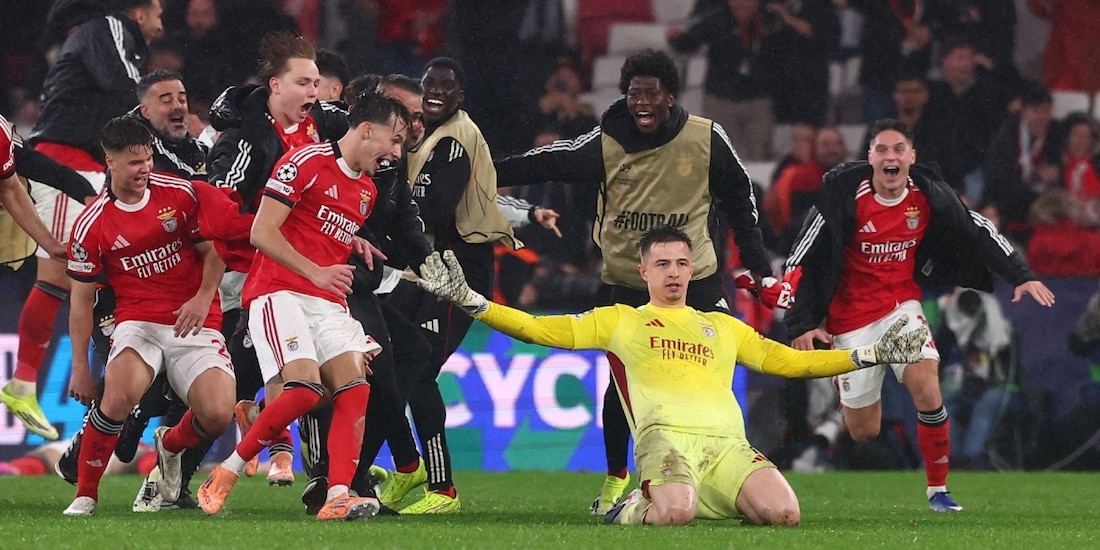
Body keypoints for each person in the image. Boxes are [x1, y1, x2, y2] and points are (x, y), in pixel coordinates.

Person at [413, 225, 929, 526]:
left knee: (785, 515)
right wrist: (474, 302)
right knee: (675, 515)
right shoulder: (621, 320)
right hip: (665, 439)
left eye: (682, 263)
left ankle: (690, 492)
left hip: (727, 446)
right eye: (663, 264)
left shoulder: (722, 326)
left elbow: (792, 362)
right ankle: (632, 505)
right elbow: (538, 329)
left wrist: (869, 354)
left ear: (693, 269)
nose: (675, 272)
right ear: (643, 272)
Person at [495, 48, 772, 514]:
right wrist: (485, 169)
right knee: (620, 387)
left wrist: (760, 267)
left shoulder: (706, 138)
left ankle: (720, 468)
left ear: (671, 97)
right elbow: (547, 162)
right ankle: (616, 477)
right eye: (634, 93)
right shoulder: (608, 141)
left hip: (696, 279)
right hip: (627, 280)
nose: (642, 101)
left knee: (713, 373)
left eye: (651, 92)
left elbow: (741, 202)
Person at [783, 118, 1056, 512]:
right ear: (870, 157)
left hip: (901, 307)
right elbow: (800, 258)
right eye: (881, 149)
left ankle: (938, 491)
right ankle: (851, 393)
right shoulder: (842, 198)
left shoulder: (928, 195)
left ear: (911, 156)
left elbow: (978, 228)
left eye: (898, 149)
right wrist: (802, 323)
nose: (890, 157)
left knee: (927, 387)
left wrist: (1021, 275)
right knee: (863, 431)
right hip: (851, 319)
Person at [196, 91, 410, 521]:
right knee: (306, 389)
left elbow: (316, 227)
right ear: (368, 130)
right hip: (279, 293)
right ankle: (227, 470)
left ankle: (337, 495)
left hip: (326, 302)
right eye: (396, 139)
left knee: (356, 387)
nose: (397, 153)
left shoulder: (366, 191)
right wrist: (316, 272)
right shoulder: (304, 162)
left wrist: (349, 242)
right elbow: (261, 232)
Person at [4, 0, 163, 442]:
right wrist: (155, 118)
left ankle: (113, 390)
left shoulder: (106, 41)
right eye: (157, 13)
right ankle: (23, 383)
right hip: (64, 158)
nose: (161, 23)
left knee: (104, 277)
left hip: (90, 168)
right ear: (138, 13)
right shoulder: (106, 27)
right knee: (59, 275)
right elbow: (123, 89)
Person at [62, 117, 236, 516]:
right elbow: (81, 301)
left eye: (148, 159)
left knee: (217, 415)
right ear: (110, 161)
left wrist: (202, 298)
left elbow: (215, 251)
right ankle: (86, 494)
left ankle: (170, 444)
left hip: (194, 321)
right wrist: (80, 369)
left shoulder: (179, 193)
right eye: (134, 162)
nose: (145, 169)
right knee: (117, 397)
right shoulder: (91, 224)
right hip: (138, 322)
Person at [371, 57, 522, 515]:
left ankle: (443, 489)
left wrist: (387, 207)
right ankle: (408, 466)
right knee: (385, 366)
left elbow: (434, 210)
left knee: (416, 373)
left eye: (446, 86)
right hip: (426, 271)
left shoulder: (455, 139)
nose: (436, 92)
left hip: (458, 276)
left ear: (460, 95)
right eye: (429, 84)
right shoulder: (429, 138)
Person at [208, 31, 350, 487]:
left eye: (316, 83)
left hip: (314, 267)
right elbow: (219, 208)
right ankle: (185, 460)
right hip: (252, 266)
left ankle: (275, 435)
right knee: (285, 373)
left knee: (318, 375)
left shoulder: (325, 124)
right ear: (274, 85)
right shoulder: (245, 138)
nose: (313, 93)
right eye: (303, 83)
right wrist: (272, 227)